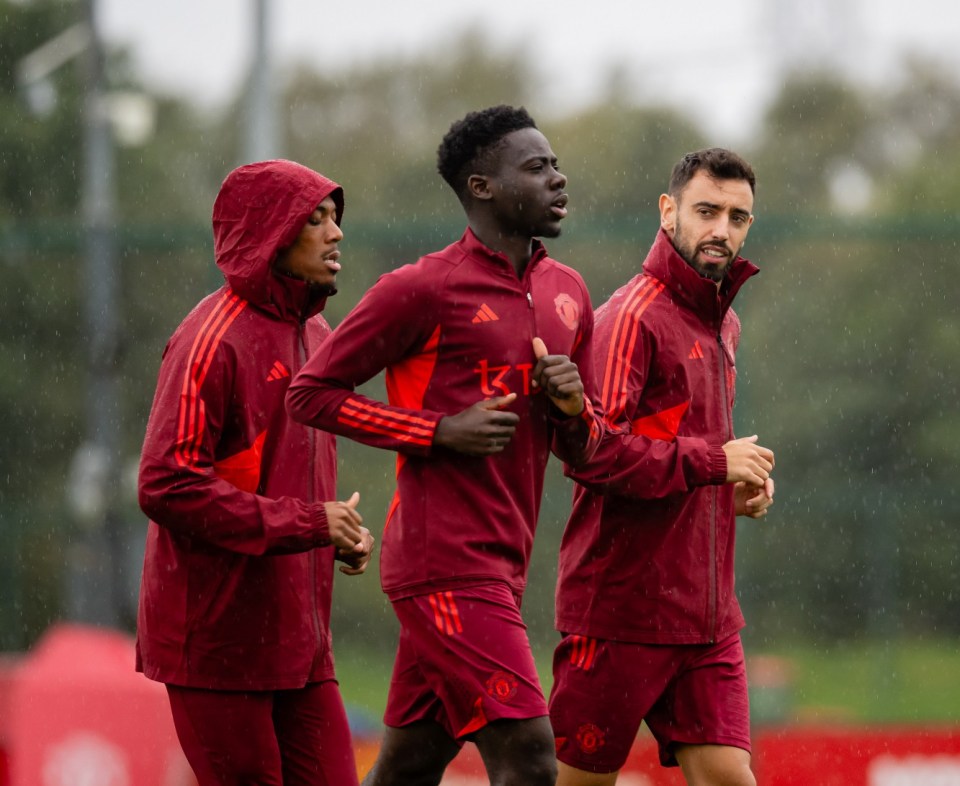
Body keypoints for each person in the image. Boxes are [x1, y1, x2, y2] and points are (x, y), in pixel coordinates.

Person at [286, 105, 602, 786]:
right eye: (538, 167)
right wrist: (438, 431)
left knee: (410, 765)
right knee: (530, 756)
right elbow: (309, 394)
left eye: (556, 165)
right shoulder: (422, 287)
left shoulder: (569, 291)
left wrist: (573, 408)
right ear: (482, 187)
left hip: (502, 565)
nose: (558, 179)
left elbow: (585, 453)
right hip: (443, 564)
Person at [136, 159, 375, 786]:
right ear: (272, 233)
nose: (336, 233)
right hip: (217, 646)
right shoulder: (209, 340)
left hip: (301, 644)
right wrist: (308, 522)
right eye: (315, 219)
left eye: (335, 218)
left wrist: (338, 532)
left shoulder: (319, 333)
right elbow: (165, 483)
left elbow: (296, 483)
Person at [548, 148, 776, 786]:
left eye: (738, 217)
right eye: (707, 211)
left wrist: (729, 490)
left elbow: (677, 463)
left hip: (707, 622)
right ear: (668, 211)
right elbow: (593, 454)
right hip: (620, 614)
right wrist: (712, 463)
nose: (721, 230)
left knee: (731, 777)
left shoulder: (724, 322)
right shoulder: (631, 316)